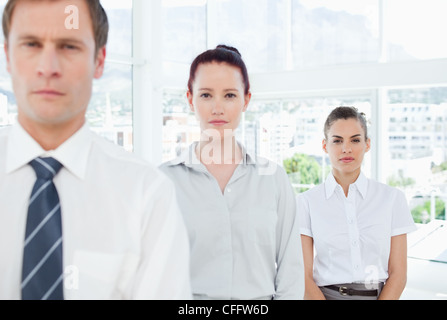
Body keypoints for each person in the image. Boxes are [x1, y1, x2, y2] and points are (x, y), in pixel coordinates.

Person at [0, 0, 191, 300]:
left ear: (99, 60)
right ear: (7, 55)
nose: (48, 68)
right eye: (31, 44)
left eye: (69, 47)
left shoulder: (146, 194)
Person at [159, 45, 304, 300]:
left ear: (246, 100)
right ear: (190, 99)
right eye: (205, 95)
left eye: (229, 95)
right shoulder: (164, 181)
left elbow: (292, 270)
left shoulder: (274, 179)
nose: (217, 108)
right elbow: (155, 272)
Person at [297, 106, 417, 300]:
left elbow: (399, 274)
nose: (346, 149)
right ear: (325, 145)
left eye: (355, 140)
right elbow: (302, 277)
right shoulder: (306, 202)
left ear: (367, 144)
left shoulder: (392, 198)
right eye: (337, 141)